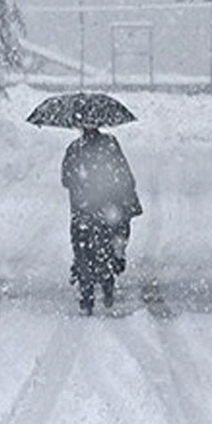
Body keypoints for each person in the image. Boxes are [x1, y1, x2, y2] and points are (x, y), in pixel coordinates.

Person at [62, 126, 142, 314]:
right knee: (105, 246)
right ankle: (107, 282)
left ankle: (86, 292)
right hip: (107, 209)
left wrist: (82, 183)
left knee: (82, 249)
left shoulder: (74, 148)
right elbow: (124, 174)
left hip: (82, 210)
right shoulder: (110, 145)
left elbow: (66, 179)